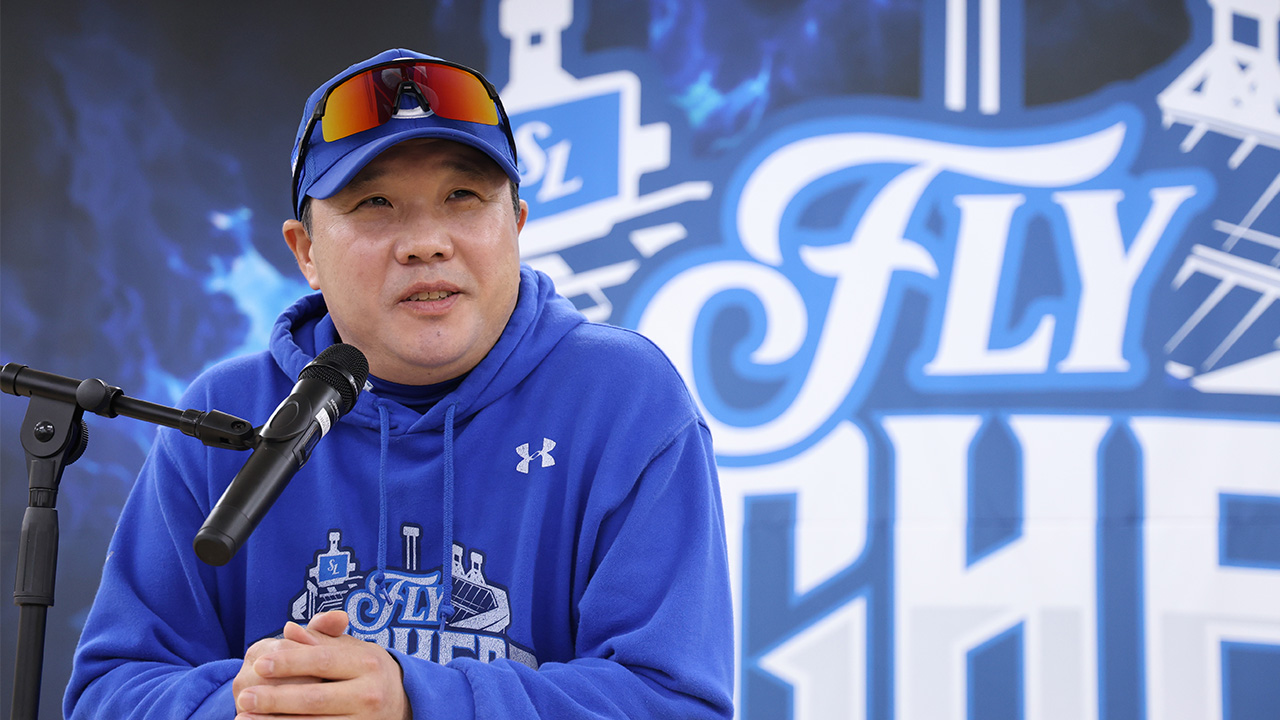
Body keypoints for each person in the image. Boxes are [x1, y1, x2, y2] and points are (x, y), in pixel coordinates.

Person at [63, 48, 734, 719]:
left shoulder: (625, 400)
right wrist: (260, 702)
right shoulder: (225, 415)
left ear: (516, 226)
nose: (426, 242)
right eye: (375, 202)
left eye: (463, 196)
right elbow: (110, 694)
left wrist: (417, 701)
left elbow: (676, 703)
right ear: (306, 252)